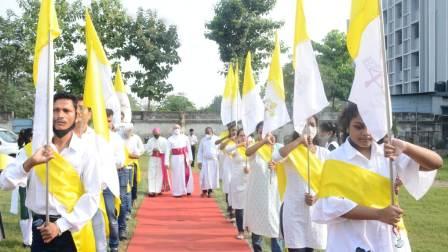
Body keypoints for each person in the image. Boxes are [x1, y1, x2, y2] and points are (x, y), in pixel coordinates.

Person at [312, 102, 443, 252]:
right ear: (347, 126)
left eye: (371, 126)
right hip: (349, 239)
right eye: (359, 126)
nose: (366, 132)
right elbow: (331, 205)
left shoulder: (389, 153)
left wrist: (406, 147)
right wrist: (379, 214)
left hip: (387, 237)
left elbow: (436, 163)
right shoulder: (335, 159)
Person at [0, 92, 101, 251]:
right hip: (41, 229)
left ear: (76, 116)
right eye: (55, 110)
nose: (60, 115)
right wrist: (30, 163)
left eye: (66, 111)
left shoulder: (87, 153)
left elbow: (93, 196)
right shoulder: (32, 151)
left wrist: (60, 226)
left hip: (73, 231)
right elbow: (5, 183)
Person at [273, 116, 328, 252]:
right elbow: (275, 157)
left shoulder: (325, 154)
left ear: (316, 128)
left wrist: (316, 197)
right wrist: (299, 141)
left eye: (312, 124)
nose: (308, 128)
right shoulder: (290, 152)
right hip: (293, 212)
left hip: (314, 212)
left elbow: (329, 184)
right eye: (304, 124)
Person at [74, 98, 122, 252]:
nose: (78, 112)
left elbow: (106, 166)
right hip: (70, 194)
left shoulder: (98, 139)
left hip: (94, 193)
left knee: (98, 233)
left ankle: (111, 246)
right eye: (75, 108)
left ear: (90, 114)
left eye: (82, 108)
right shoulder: (61, 138)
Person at [244, 122, 282, 252]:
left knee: (275, 226)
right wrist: (263, 141)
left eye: (266, 131)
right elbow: (247, 152)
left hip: (275, 194)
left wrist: (277, 166)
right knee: (257, 226)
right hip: (258, 194)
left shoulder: (278, 148)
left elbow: (286, 165)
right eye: (260, 132)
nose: (264, 134)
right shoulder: (255, 148)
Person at [106, 110, 128, 242]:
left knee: (118, 204)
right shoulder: (90, 137)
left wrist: (104, 163)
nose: (106, 124)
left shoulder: (116, 138)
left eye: (108, 121)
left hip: (115, 175)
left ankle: (121, 230)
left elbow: (120, 160)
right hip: (96, 179)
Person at [225, 128, 250, 240]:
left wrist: (248, 168)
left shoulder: (252, 148)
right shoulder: (235, 148)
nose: (243, 137)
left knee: (248, 207)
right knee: (239, 208)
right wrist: (238, 145)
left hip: (250, 181)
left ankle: (249, 228)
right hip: (237, 181)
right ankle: (240, 230)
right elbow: (227, 150)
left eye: (245, 135)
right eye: (241, 135)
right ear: (237, 137)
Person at [13, 128, 33, 248]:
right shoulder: (23, 152)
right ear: (30, 138)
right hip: (24, 185)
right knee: (26, 213)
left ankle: (31, 239)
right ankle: (27, 241)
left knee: (34, 213)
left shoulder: (35, 150)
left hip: (35, 185)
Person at [121, 124, 144, 215]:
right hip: (122, 164)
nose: (129, 132)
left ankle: (132, 200)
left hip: (132, 164)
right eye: (127, 131)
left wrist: (135, 154)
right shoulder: (119, 138)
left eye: (130, 131)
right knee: (124, 187)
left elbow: (141, 149)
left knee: (132, 184)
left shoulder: (136, 138)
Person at [217, 123, 238, 220]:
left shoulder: (240, 139)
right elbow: (221, 147)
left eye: (235, 130)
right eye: (232, 130)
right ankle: (230, 208)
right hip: (228, 165)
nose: (234, 132)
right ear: (229, 131)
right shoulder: (226, 140)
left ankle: (236, 208)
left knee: (236, 186)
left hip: (238, 165)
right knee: (228, 186)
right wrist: (229, 139)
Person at [166, 124, 194, 197]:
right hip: (175, 158)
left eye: (178, 128)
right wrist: (166, 162)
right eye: (175, 128)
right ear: (172, 129)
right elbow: (167, 152)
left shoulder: (185, 137)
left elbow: (189, 149)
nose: (176, 129)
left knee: (187, 173)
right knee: (176, 175)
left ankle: (188, 190)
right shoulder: (170, 139)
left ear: (180, 129)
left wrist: (191, 158)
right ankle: (177, 192)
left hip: (185, 158)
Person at [145, 128, 170, 196]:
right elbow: (146, 149)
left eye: (157, 135)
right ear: (153, 134)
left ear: (159, 133)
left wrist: (160, 151)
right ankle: (151, 190)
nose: (156, 136)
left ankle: (157, 190)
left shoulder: (164, 140)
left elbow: (167, 151)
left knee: (159, 174)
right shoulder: (150, 140)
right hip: (152, 158)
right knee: (151, 174)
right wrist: (152, 150)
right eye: (155, 135)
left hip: (160, 159)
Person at [197, 127, 220, 197]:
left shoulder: (217, 139)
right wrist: (199, 161)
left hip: (214, 161)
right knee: (203, 176)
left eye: (209, 131)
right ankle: (204, 191)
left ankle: (210, 191)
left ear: (212, 132)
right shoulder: (203, 140)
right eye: (206, 132)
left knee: (212, 177)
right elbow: (200, 151)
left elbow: (220, 149)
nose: (207, 133)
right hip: (205, 161)